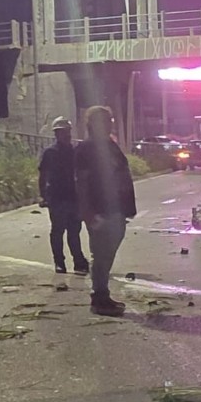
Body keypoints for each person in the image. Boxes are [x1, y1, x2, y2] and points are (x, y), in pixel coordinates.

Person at [74, 106, 137, 316]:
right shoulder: (86, 148)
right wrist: (87, 212)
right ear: (92, 124)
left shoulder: (110, 145)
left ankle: (102, 294)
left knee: (107, 253)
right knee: (101, 254)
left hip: (116, 209)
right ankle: (99, 296)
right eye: (105, 120)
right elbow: (81, 182)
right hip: (100, 209)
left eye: (110, 119)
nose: (110, 123)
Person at [38, 117, 89, 275]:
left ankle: (78, 262)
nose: (64, 135)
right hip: (57, 197)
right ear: (56, 134)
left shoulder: (75, 151)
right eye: (61, 132)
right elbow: (43, 175)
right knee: (58, 231)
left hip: (73, 197)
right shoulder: (50, 153)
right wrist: (43, 196)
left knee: (74, 231)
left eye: (66, 132)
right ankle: (59, 263)